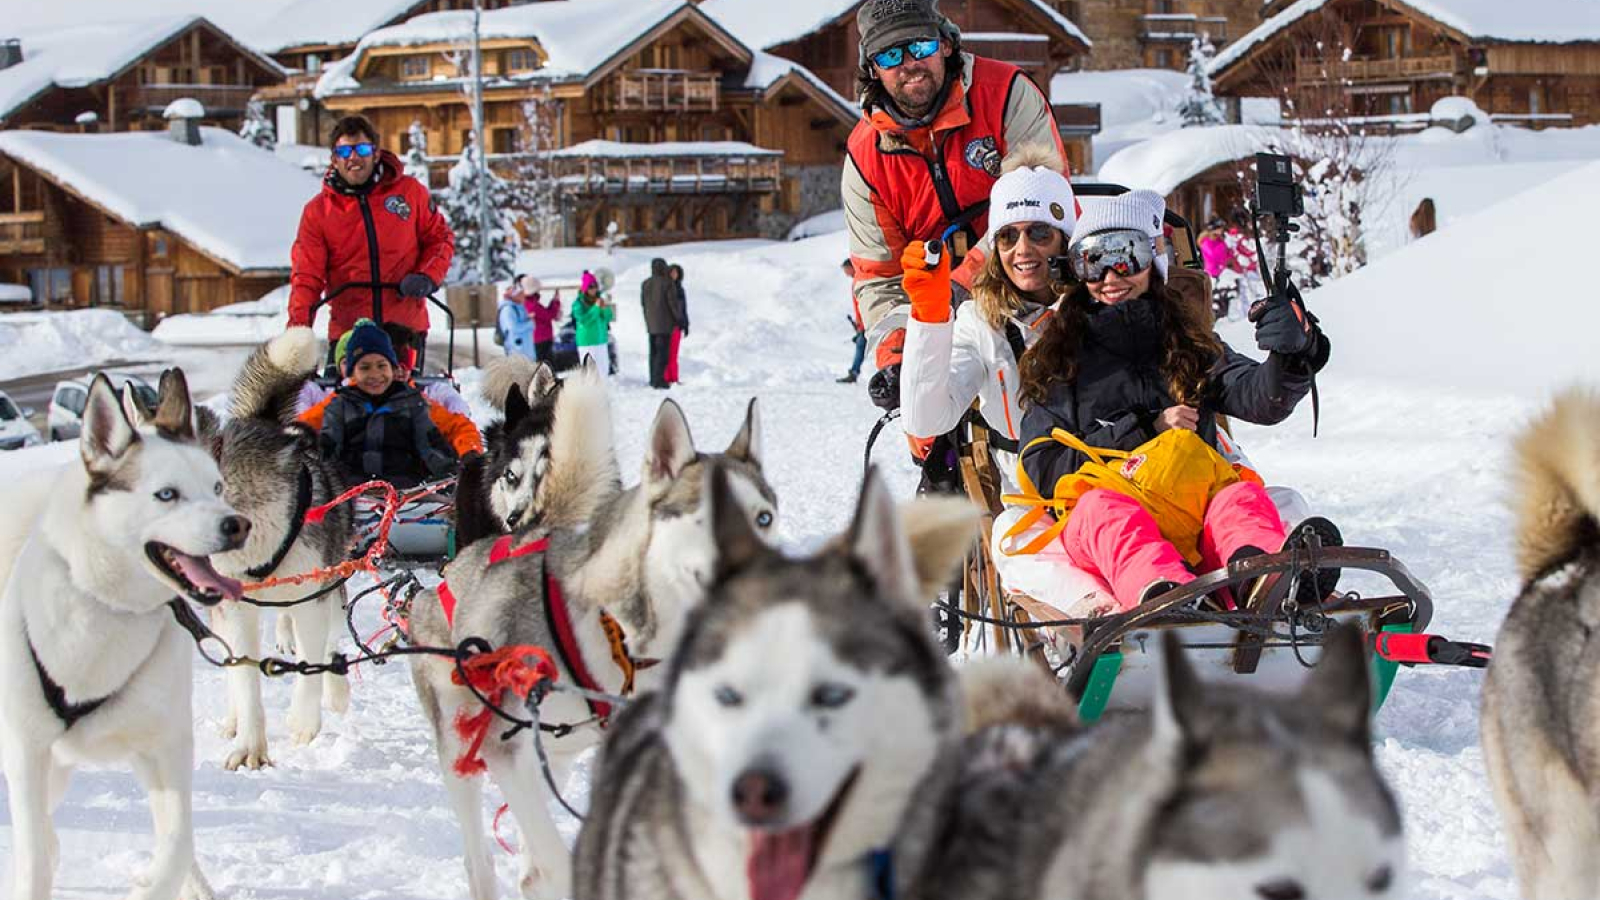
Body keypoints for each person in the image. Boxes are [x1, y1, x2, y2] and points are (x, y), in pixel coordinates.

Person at [1013, 190, 1334, 611]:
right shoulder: (1059, 359)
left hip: (1190, 506)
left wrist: (1293, 356)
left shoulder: (1186, 344)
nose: (1111, 276)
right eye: (1094, 260)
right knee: (1104, 512)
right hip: (1106, 515)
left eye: (1126, 254)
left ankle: (1264, 582)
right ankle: (1165, 597)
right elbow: (1041, 463)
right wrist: (1145, 430)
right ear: (1077, 271)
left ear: (1153, 261)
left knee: (1238, 498)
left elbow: (1259, 398)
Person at [841, 0, 1066, 407]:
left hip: (1031, 283)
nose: (909, 63)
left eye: (921, 47)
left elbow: (1041, 205)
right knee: (930, 426)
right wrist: (899, 356)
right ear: (873, 68)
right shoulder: (864, 156)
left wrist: (958, 290)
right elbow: (878, 274)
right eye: (891, 55)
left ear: (946, 44)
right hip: (934, 308)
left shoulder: (1006, 95)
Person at [899, 144, 1074, 497]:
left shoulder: (1094, 305)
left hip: (1105, 478)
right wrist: (929, 318)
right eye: (1008, 236)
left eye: (1039, 233)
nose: (1022, 249)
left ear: (1064, 241)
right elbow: (926, 420)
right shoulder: (979, 321)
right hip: (1025, 496)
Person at [288, 115, 454, 350]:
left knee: (407, 387)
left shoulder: (409, 193)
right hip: (350, 332)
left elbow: (440, 238)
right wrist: (297, 330)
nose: (354, 158)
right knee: (342, 387)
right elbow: (307, 276)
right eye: (345, 152)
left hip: (404, 330)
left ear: (376, 154)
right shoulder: (318, 212)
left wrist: (426, 276)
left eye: (362, 149)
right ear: (334, 159)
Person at [297, 321, 473, 489]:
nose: (375, 374)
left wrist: (458, 466)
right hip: (352, 487)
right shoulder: (340, 403)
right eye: (365, 367)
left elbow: (434, 442)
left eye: (382, 366)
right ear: (351, 372)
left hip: (406, 487)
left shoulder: (414, 402)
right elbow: (318, 439)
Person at [573, 270, 614, 382]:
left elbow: (609, 317)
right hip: (587, 342)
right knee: (590, 373)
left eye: (595, 286)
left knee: (603, 371)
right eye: (590, 286)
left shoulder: (599, 299)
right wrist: (596, 308)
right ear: (585, 288)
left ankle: (603, 394)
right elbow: (584, 320)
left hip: (601, 340)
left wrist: (604, 308)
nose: (594, 289)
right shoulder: (578, 303)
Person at [641, 258, 676, 389]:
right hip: (665, 324)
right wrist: (678, 319)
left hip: (651, 323)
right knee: (663, 353)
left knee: (653, 352)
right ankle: (660, 380)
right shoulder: (667, 283)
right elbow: (672, 304)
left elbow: (643, 303)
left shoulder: (645, 284)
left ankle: (652, 378)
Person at [838, 259, 866, 384]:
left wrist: (862, 323)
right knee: (861, 346)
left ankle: (854, 373)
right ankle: (854, 372)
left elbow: (863, 304)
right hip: (863, 322)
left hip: (867, 323)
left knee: (862, 346)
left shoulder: (860, 281)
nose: (845, 273)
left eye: (845, 269)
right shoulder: (857, 281)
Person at [498, 274, 536, 361]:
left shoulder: (519, 307)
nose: (524, 296)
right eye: (521, 293)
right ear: (515, 295)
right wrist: (530, 323)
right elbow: (513, 327)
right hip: (518, 354)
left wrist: (529, 319)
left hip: (527, 353)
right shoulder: (508, 309)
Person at [664, 264, 689, 385]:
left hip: (677, 325)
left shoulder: (680, 289)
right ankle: (667, 378)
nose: (674, 275)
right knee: (667, 353)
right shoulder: (666, 288)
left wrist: (686, 324)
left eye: (676, 272)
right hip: (667, 325)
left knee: (674, 353)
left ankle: (674, 378)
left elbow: (684, 308)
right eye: (672, 272)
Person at [527, 280, 562, 362]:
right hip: (542, 339)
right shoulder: (533, 305)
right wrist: (556, 301)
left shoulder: (530, 303)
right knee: (546, 364)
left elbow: (546, 314)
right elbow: (549, 315)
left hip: (539, 338)